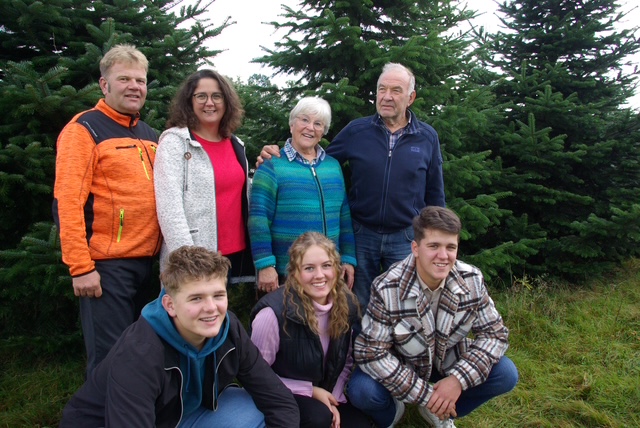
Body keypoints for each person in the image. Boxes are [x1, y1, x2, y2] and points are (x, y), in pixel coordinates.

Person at [257, 63, 446, 310]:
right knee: (357, 304)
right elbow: (315, 159)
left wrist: (435, 240)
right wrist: (275, 155)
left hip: (405, 236)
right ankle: (359, 349)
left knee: (405, 303)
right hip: (362, 234)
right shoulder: (357, 131)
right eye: (382, 89)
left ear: (411, 98)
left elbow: (435, 193)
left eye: (396, 90)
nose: (387, 96)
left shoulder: (427, 136)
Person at [60, 246, 300, 428]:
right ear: (170, 305)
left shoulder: (229, 328)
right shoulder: (140, 352)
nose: (211, 308)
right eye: (196, 298)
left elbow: (278, 400)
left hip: (183, 416)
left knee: (257, 408)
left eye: (218, 295)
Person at [346, 206, 518, 428]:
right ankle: (394, 412)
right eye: (434, 246)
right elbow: (370, 352)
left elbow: (495, 335)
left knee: (506, 373)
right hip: (402, 364)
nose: (443, 256)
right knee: (362, 390)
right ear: (416, 248)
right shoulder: (387, 286)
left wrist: (458, 380)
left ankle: (441, 413)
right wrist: (426, 394)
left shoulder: (472, 279)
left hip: (447, 359)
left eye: (450, 247)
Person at [52, 44, 161, 374]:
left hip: (150, 265)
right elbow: (67, 201)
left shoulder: (150, 135)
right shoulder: (84, 129)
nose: (134, 86)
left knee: (146, 355)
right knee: (110, 361)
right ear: (104, 84)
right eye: (124, 78)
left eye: (140, 80)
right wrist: (80, 267)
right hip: (107, 268)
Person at [250, 232, 370, 428]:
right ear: (295, 273)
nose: (319, 275)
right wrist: (312, 391)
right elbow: (256, 376)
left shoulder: (345, 303)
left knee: (359, 424)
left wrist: (334, 398)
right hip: (283, 393)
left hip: (326, 392)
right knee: (319, 417)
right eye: (309, 268)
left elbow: (346, 360)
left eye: (326, 266)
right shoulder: (272, 314)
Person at [154, 69, 253, 285]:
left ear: (226, 102)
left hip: (235, 258)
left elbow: (241, 193)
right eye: (201, 96)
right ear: (189, 101)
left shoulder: (236, 144)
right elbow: (169, 210)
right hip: (195, 259)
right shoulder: (175, 143)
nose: (210, 103)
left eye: (217, 96)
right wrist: (188, 261)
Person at [248, 97, 356, 293]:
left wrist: (347, 258)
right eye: (304, 120)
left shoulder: (333, 166)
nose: (310, 128)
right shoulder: (272, 166)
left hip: (327, 272)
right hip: (286, 272)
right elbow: (258, 219)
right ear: (292, 124)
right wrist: (265, 264)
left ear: (323, 131)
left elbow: (344, 215)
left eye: (318, 124)